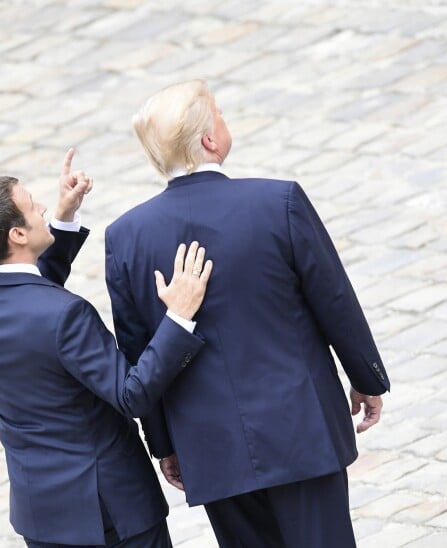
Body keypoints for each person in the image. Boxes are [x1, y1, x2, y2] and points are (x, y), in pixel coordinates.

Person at [104, 80, 391, 548]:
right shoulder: (278, 202)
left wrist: (166, 443)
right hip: (302, 429)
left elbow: (136, 346)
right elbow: (333, 300)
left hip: (209, 446)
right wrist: (366, 378)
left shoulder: (126, 238)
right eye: (218, 114)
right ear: (209, 141)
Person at [0, 149, 213, 548]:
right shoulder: (65, 315)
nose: (41, 207)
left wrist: (61, 219)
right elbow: (132, 393)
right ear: (16, 235)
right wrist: (177, 317)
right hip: (112, 512)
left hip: (43, 516)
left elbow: (27, 295)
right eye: (32, 205)